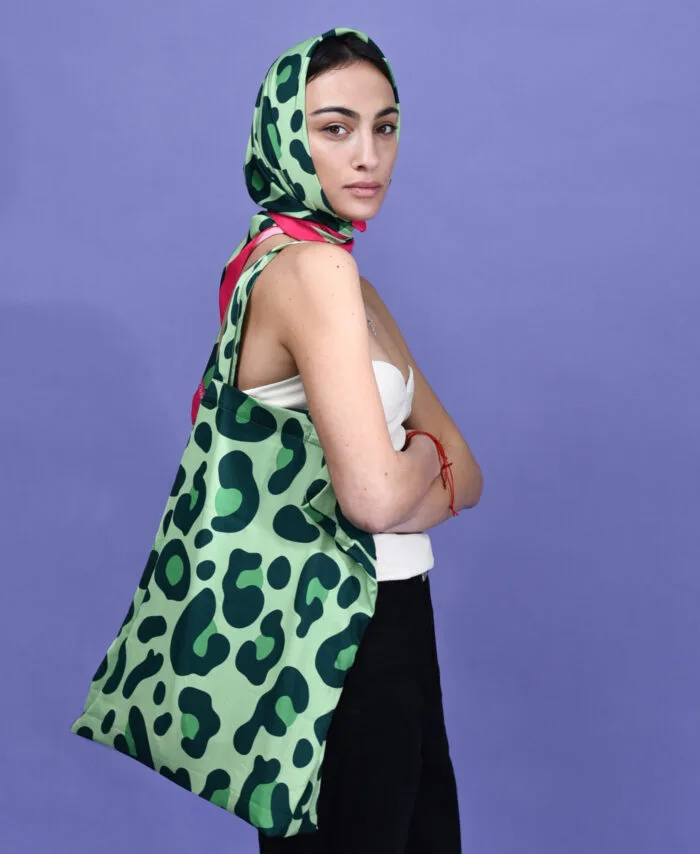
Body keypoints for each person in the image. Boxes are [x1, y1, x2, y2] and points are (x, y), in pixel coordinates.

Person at [206, 28, 484, 853]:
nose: (369, 155)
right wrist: (426, 458)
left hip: (386, 622)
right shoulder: (311, 272)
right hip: (347, 633)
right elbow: (375, 496)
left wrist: (417, 470)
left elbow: (471, 472)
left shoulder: (341, 279)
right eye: (335, 128)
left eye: (384, 126)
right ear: (286, 136)